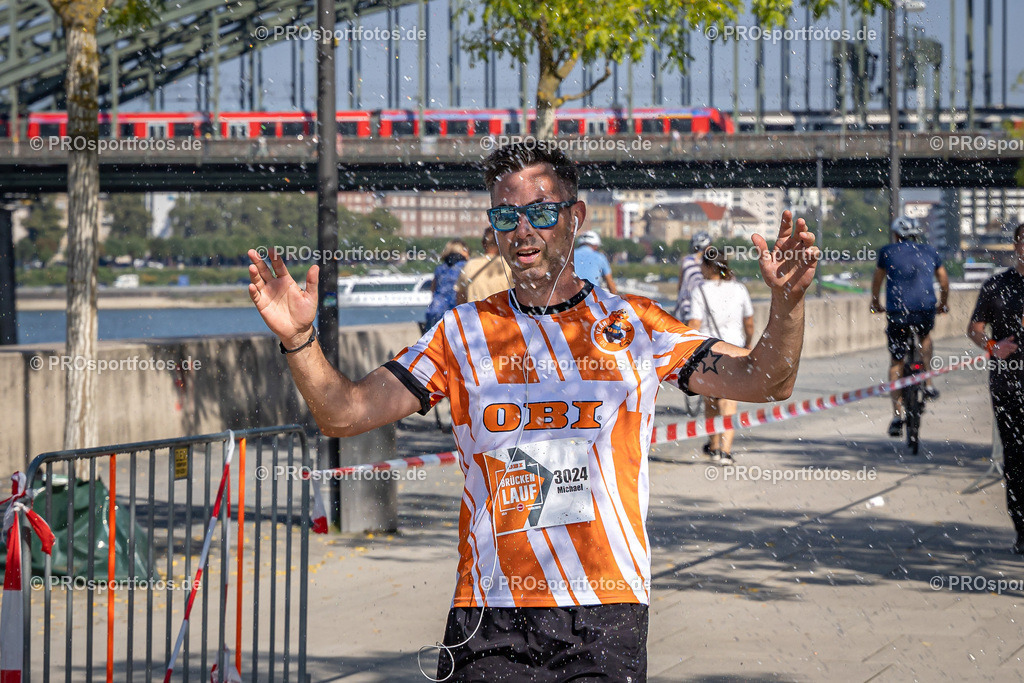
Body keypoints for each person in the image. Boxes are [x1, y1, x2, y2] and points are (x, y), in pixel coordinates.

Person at [245, 142, 819, 681]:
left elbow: (766, 380)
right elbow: (344, 414)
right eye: (505, 217)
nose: (523, 232)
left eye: (542, 213)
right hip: (489, 610)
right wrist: (300, 340)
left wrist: (787, 304)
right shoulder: (460, 333)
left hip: (605, 606)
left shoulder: (637, 326)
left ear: (577, 216)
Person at [967, 223, 1024, 555]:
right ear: (1016, 247)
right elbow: (973, 329)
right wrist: (991, 345)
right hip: (1008, 383)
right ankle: (1021, 527)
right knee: (1015, 458)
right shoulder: (996, 286)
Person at [871, 217, 950, 438]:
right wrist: (943, 304)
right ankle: (928, 382)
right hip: (924, 309)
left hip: (897, 312)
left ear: (896, 235)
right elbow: (943, 281)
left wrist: (875, 303)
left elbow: (877, 281)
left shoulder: (887, 251)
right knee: (925, 338)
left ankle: (897, 416)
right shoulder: (930, 251)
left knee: (896, 362)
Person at [687, 251, 755, 465]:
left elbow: (694, 325)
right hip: (734, 349)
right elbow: (750, 322)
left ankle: (714, 446)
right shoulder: (739, 289)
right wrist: (748, 343)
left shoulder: (700, 290)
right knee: (729, 401)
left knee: (710, 401)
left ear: (708, 267)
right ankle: (725, 451)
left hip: (709, 351)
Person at [455, 226, 513, 304]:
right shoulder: (509, 266)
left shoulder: (470, 265)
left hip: (476, 314)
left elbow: (460, 299)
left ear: (483, 243)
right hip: (504, 314)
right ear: (503, 242)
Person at [423, 240, 469, 330]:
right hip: (456, 313)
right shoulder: (466, 266)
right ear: (462, 251)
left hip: (435, 312)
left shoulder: (440, 268)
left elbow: (433, 290)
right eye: (466, 250)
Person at [673, 231, 713, 321]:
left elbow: (680, 284)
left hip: (687, 308)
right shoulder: (712, 261)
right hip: (707, 309)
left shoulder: (687, 261)